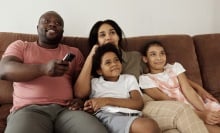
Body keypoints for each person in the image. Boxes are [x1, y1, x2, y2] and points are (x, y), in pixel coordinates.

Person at [74, 19, 209, 133]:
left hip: (143, 102)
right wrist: (92, 54)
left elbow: (165, 72)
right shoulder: (95, 66)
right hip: (113, 112)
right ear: (96, 41)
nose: (108, 37)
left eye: (112, 32)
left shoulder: (135, 57)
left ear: (119, 36)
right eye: (102, 35)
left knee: (180, 112)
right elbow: (80, 93)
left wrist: (199, 88)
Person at [0, 11, 107, 133]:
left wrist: (80, 100)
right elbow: (4, 70)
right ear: (37, 27)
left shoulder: (74, 53)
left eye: (58, 23)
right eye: (46, 21)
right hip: (28, 110)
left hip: (67, 110)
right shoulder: (21, 46)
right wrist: (43, 69)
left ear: (62, 32)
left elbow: (81, 86)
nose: (52, 24)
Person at [139, 40, 220, 133]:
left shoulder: (174, 67)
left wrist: (205, 111)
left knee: (216, 115)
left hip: (199, 104)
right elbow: (167, 101)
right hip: (184, 113)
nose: (159, 58)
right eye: (153, 54)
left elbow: (188, 90)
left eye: (162, 53)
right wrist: (201, 115)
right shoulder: (145, 80)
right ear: (145, 59)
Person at [84, 43, 161, 133]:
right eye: (108, 62)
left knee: (152, 125)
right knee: (149, 126)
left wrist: (106, 100)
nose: (114, 64)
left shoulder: (129, 79)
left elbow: (138, 103)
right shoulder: (95, 82)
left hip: (132, 115)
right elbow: (80, 94)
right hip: (108, 115)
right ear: (99, 70)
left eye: (116, 60)